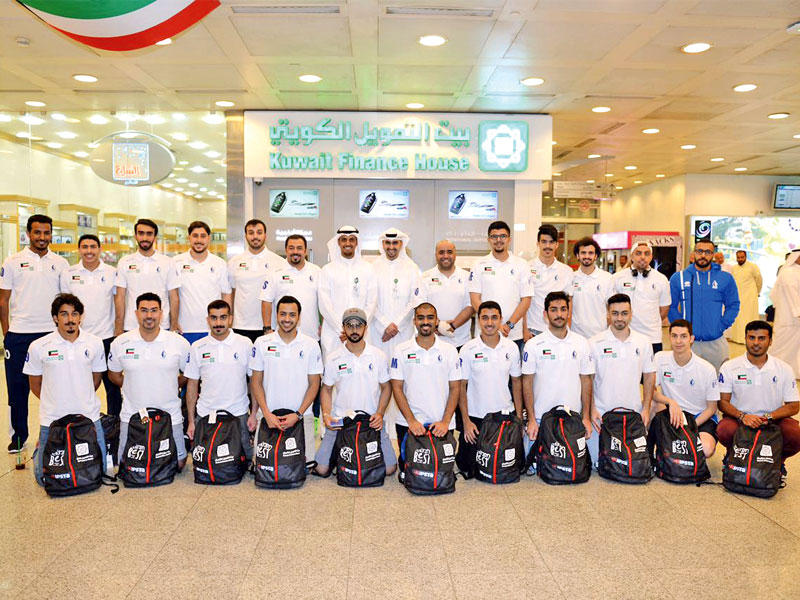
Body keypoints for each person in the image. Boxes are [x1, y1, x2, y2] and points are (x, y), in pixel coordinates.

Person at [0, 214, 68, 453]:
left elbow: (64, 301)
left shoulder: (60, 263)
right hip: (19, 335)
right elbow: (3, 300)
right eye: (37, 232)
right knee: (17, 389)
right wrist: (7, 333)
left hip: (50, 334)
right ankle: (18, 436)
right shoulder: (12, 261)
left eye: (46, 232)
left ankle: (56, 433)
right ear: (28, 233)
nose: (42, 237)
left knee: (54, 387)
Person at [24, 293, 107, 485]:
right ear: (55, 318)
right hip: (52, 418)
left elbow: (96, 379)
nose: (70, 319)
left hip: (89, 416)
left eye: (74, 314)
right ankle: (39, 449)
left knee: (100, 471)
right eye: (64, 314)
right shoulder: (38, 346)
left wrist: (80, 396)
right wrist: (55, 400)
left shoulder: (95, 343)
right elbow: (35, 384)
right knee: (43, 479)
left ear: (80, 317)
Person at [108, 293, 190, 469]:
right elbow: (114, 375)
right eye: (144, 310)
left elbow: (188, 374)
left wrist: (172, 384)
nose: (149, 315)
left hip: (170, 413)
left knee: (179, 464)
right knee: (124, 463)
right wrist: (133, 384)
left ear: (161, 313)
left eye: (154, 310)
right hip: (132, 414)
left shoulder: (179, 343)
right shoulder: (120, 343)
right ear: (136, 313)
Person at [314, 308, 396, 476]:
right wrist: (327, 415)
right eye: (349, 325)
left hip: (371, 421)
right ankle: (343, 455)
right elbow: (326, 389)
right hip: (340, 421)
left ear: (365, 328)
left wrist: (380, 414)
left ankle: (349, 457)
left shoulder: (378, 356)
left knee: (389, 469)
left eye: (358, 325)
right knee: (321, 469)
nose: (354, 330)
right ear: (343, 328)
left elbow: (387, 387)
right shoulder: (333, 357)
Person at [718, 320, 800, 479]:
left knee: (795, 434)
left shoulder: (784, 369)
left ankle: (778, 462)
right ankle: (732, 455)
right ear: (745, 339)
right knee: (724, 429)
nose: (756, 343)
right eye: (751, 337)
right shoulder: (730, 367)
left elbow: (794, 406)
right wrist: (743, 416)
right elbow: (722, 402)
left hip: (772, 420)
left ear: (770, 341)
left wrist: (769, 417)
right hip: (740, 418)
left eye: (761, 338)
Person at [390, 303, 460, 474]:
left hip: (441, 423)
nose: (425, 322)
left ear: (437, 321)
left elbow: (455, 388)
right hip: (409, 423)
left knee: (440, 472)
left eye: (430, 317)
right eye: (421, 318)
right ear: (414, 321)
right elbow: (396, 388)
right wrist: (412, 421)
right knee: (410, 472)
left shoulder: (450, 351)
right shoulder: (401, 350)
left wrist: (445, 422)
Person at [249, 295, 322, 455]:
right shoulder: (261, 343)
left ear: (299, 317)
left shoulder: (311, 345)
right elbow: (256, 382)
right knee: (264, 465)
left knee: (305, 465)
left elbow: (314, 384)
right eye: (283, 314)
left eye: (292, 314)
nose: (287, 319)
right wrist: (266, 414)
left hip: (302, 417)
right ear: (276, 315)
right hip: (268, 418)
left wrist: (298, 414)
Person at [587, 293, 655, 463]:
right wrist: (592, 409)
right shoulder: (594, 343)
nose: (619, 318)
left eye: (624, 313)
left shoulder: (643, 342)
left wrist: (646, 409)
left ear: (631, 314)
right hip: (601, 416)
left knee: (632, 463)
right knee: (598, 462)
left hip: (633, 416)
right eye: (615, 313)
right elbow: (588, 379)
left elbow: (649, 376)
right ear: (608, 315)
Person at [456, 301, 522, 472]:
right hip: (476, 418)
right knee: (468, 466)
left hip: (504, 416)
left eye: (494, 318)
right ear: (478, 320)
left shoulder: (512, 348)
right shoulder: (467, 349)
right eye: (485, 318)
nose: (490, 322)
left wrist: (519, 420)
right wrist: (466, 422)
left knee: (507, 466)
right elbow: (461, 387)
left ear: (501, 320)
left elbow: (517, 383)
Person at [59, 234, 121, 416]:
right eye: (85, 247)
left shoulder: (112, 272)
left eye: (93, 247)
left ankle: (114, 422)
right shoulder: (68, 273)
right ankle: (80, 421)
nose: (89, 251)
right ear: (79, 250)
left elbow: (118, 303)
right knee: (81, 384)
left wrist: (118, 330)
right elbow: (65, 306)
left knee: (112, 387)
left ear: (100, 249)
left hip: (107, 337)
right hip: (79, 339)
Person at [185, 300, 254, 460]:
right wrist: (191, 421)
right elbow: (192, 385)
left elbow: (254, 381)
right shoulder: (197, 347)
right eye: (214, 318)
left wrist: (254, 413)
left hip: (238, 414)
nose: (218, 323)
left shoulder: (245, 344)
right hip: (205, 414)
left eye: (223, 317)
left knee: (245, 462)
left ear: (230, 319)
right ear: (208, 320)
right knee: (204, 462)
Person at [521, 292, 593, 444]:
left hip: (573, 419)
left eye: (563, 309)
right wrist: (531, 419)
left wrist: (586, 417)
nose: (559, 314)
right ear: (545, 314)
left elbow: (586, 380)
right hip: (541, 420)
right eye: (553, 310)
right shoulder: (533, 345)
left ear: (569, 312)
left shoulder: (582, 343)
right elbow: (526, 382)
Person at [669, 239, 739, 372]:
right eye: (699, 251)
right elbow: (671, 306)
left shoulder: (725, 278)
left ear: (713, 254)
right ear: (694, 253)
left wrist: (721, 326)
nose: (703, 255)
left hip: (715, 342)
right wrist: (681, 330)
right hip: (688, 343)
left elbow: (733, 305)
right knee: (685, 379)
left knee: (718, 380)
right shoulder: (679, 278)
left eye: (708, 252)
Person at [652, 319, 719, 458]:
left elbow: (712, 408)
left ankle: (675, 443)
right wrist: (671, 402)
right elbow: (651, 391)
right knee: (649, 405)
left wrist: (690, 425)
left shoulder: (707, 369)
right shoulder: (660, 358)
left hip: (699, 417)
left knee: (706, 449)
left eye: (683, 336)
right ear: (669, 337)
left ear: (691, 339)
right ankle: (651, 449)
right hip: (673, 413)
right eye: (674, 336)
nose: (678, 341)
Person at [467, 221, 532, 352]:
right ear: (488, 240)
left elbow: (526, 300)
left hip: (513, 334)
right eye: (494, 236)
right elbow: (474, 299)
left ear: (509, 239)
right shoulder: (478, 264)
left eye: (503, 236)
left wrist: (508, 325)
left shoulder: (522, 265)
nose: (498, 240)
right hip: (486, 334)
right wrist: (495, 324)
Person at [317, 226, 377, 357]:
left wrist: (358, 328)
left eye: (351, 239)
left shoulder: (368, 269)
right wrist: (342, 329)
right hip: (335, 334)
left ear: (357, 242)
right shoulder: (327, 270)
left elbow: (372, 302)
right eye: (344, 239)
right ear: (338, 242)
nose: (348, 243)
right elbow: (324, 304)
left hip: (361, 334)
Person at [114, 218, 180, 335]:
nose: (145, 238)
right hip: (131, 325)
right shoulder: (124, 262)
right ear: (135, 236)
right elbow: (120, 297)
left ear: (155, 237)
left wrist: (174, 324)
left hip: (161, 325)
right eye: (141, 233)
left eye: (149, 234)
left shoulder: (167, 262)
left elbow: (174, 297)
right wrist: (119, 326)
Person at [173, 221, 231, 343]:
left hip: (213, 329)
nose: (199, 240)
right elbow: (173, 295)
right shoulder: (176, 262)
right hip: (185, 328)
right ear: (189, 237)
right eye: (195, 236)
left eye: (203, 236)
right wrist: (173, 321)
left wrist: (226, 323)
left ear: (209, 238)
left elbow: (226, 294)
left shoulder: (220, 264)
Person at [227, 219, 284, 343]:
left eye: (259, 232)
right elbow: (231, 293)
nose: (255, 236)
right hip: (240, 326)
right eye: (251, 233)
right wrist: (229, 319)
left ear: (265, 235)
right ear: (246, 236)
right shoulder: (234, 262)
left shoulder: (279, 262)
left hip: (269, 326)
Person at [370, 228, 421, 360]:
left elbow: (415, 300)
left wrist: (396, 326)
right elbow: (370, 301)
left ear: (401, 244)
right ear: (382, 244)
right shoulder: (372, 268)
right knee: (379, 366)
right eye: (387, 242)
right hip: (379, 332)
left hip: (403, 332)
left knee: (403, 366)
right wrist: (385, 325)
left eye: (395, 243)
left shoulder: (412, 268)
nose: (391, 247)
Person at [612, 241, 671, 354]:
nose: (643, 257)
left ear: (651, 257)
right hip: (625, 337)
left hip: (653, 338)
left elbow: (664, 310)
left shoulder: (661, 279)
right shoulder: (617, 278)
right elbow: (612, 308)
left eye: (646, 253)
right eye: (638, 253)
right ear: (631, 256)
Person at [260, 234, 321, 342]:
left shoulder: (317, 272)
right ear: (286, 250)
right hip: (282, 337)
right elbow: (266, 301)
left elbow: (323, 302)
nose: (295, 251)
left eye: (299, 248)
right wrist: (267, 328)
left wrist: (324, 326)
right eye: (291, 248)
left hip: (311, 336)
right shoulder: (274, 272)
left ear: (305, 251)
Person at [415, 240, 474, 350]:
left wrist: (451, 326)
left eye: (449, 252)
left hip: (461, 342)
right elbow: (420, 307)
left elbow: (471, 306)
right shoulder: (425, 277)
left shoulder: (467, 277)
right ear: (436, 255)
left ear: (455, 254)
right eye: (441, 252)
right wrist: (438, 325)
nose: (445, 256)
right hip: (433, 342)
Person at [525, 224, 573, 340]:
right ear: (538, 243)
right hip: (533, 332)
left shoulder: (566, 271)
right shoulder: (526, 268)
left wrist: (568, 329)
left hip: (558, 332)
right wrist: (524, 329)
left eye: (551, 242)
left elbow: (569, 303)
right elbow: (523, 301)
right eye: (544, 242)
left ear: (557, 244)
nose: (547, 246)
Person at [570, 236, 614, 338]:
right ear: (577, 255)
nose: (587, 256)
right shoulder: (571, 278)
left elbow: (611, 308)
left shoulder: (607, 278)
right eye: (583, 253)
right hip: (576, 336)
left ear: (596, 256)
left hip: (600, 336)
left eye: (590, 253)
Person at [769, 249, 800, 379]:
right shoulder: (789, 272)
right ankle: (773, 369)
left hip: (793, 317)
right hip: (789, 317)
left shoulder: (795, 271)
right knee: (781, 346)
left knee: (795, 347)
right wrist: (798, 312)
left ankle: (793, 371)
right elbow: (792, 294)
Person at [729, 250, 762, 345]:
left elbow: (759, 280)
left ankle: (750, 338)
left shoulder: (753, 267)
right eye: (738, 257)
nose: (740, 259)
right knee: (738, 318)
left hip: (750, 297)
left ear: (746, 257)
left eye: (742, 257)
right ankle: (737, 338)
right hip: (737, 297)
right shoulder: (734, 268)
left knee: (748, 317)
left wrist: (757, 292)